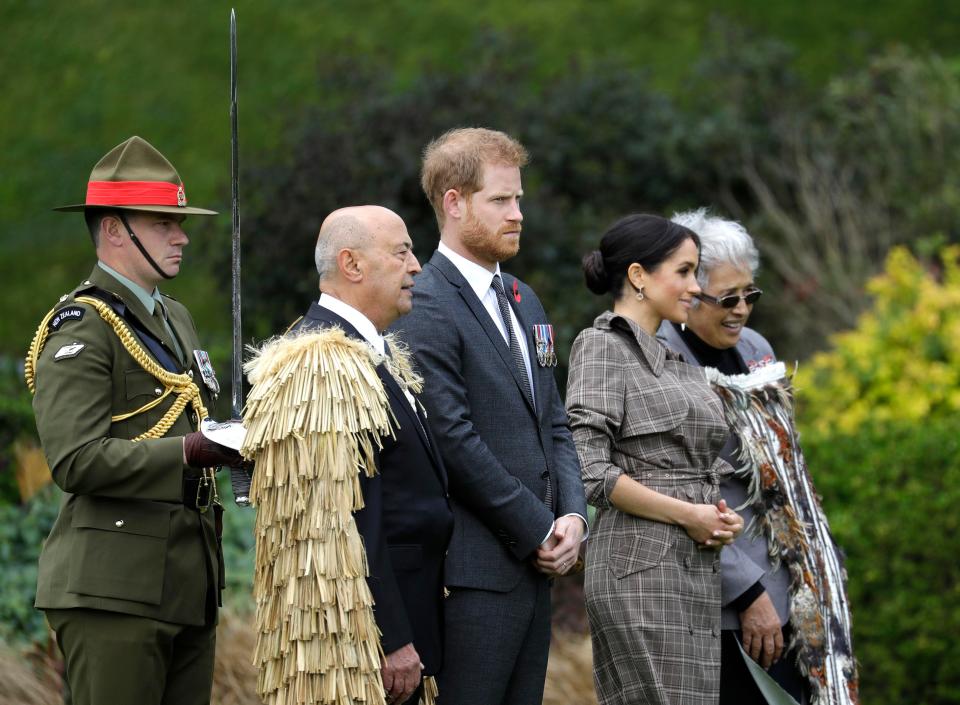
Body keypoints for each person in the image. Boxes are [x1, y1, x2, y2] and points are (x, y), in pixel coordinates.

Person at [26, 136, 242, 705]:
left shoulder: (175, 318)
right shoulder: (82, 325)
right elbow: (75, 460)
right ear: (115, 229)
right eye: (163, 223)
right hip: (113, 589)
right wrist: (190, 452)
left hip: (186, 581)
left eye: (179, 221)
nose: (183, 236)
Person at [391, 127, 587, 705]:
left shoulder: (525, 299)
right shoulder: (424, 302)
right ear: (454, 202)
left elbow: (554, 420)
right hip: (471, 576)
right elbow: (452, 438)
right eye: (500, 200)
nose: (518, 214)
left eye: (519, 199)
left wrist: (574, 515)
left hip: (532, 572)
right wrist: (537, 528)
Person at [243, 206, 453, 705]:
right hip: (361, 648)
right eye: (402, 252)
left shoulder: (370, 353)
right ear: (352, 264)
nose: (417, 266)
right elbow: (340, 520)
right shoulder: (322, 365)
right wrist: (390, 634)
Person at [565, 213, 745, 705]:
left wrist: (718, 518)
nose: (696, 286)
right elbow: (590, 471)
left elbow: (689, 464)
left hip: (694, 568)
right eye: (684, 272)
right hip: (639, 570)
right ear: (639, 276)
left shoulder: (677, 359)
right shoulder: (602, 347)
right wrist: (690, 514)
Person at [657, 208, 807, 704]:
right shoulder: (657, 360)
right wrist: (746, 593)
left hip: (786, 590)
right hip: (718, 598)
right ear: (689, 292)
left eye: (750, 295)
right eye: (727, 298)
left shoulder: (757, 347)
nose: (741, 309)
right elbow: (676, 492)